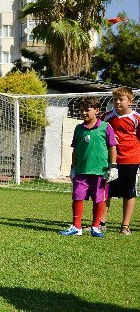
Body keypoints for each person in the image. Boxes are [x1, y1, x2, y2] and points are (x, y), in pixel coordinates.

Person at [60, 96, 117, 238]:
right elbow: (75, 149)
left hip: (100, 171)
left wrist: (113, 167)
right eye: (81, 110)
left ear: (97, 110)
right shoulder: (78, 129)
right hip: (81, 171)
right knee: (77, 197)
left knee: (99, 199)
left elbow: (112, 148)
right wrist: (73, 168)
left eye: (87, 110)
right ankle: (76, 226)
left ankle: (96, 227)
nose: (84, 113)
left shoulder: (105, 127)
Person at [101, 86, 140, 235]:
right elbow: (100, 135)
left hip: (130, 160)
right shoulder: (106, 117)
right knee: (105, 192)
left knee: (129, 193)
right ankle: (101, 223)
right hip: (110, 160)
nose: (117, 102)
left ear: (130, 101)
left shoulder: (137, 118)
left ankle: (125, 226)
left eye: (121, 99)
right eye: (115, 99)